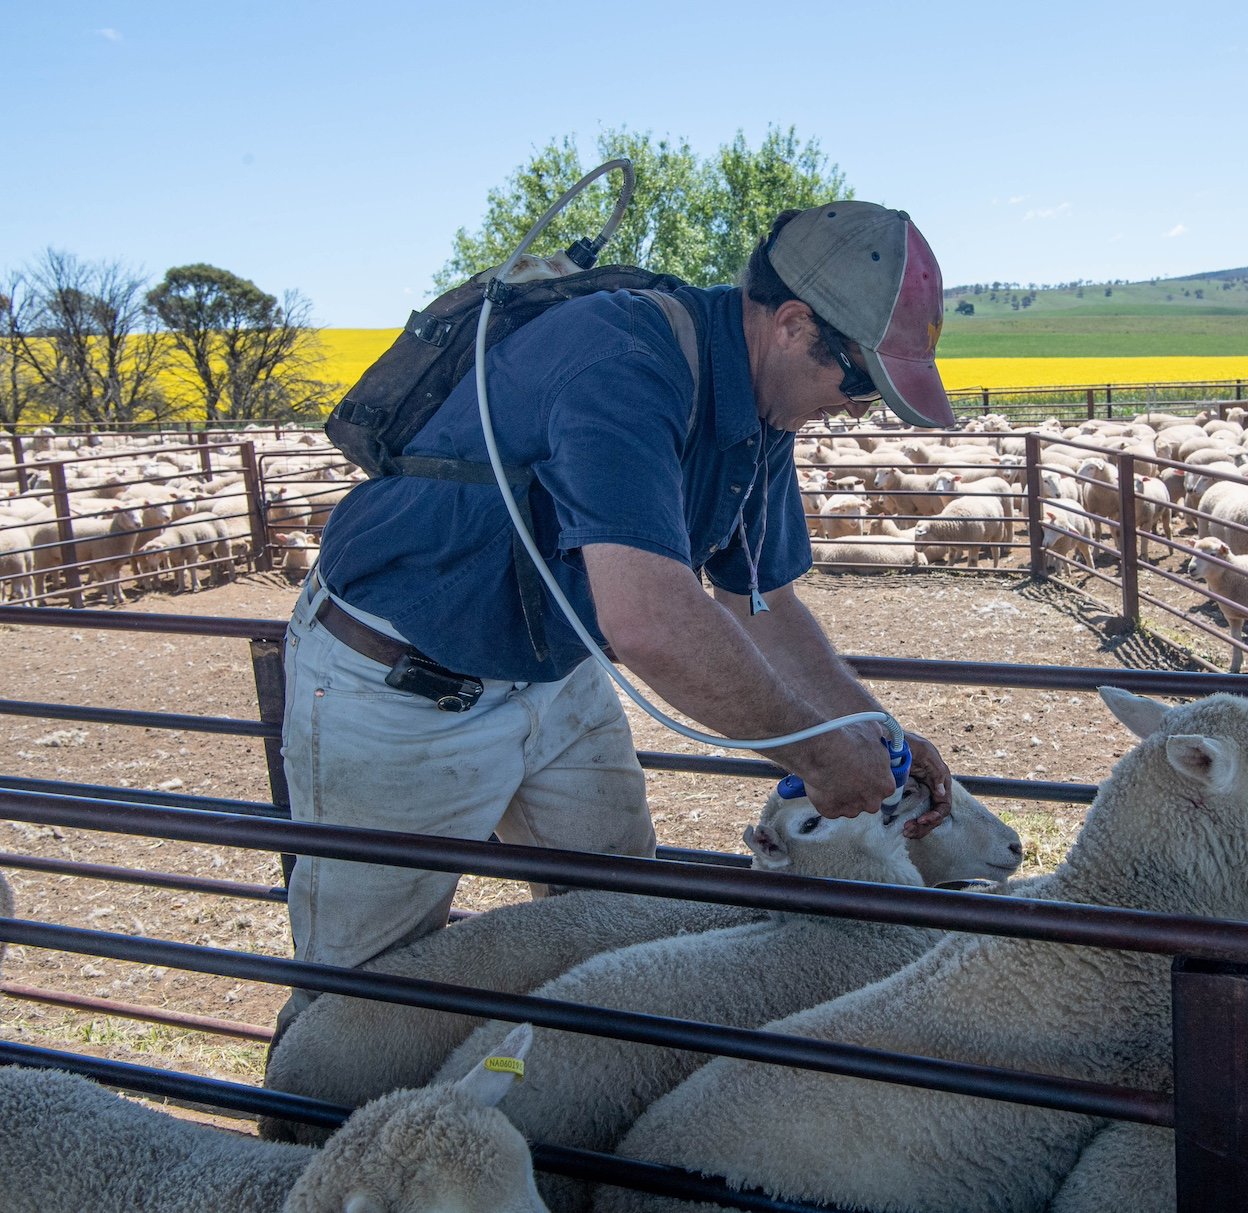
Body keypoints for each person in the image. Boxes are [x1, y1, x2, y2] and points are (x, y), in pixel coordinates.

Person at [277, 201, 956, 1029]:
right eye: (858, 381)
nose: (857, 409)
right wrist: (818, 753)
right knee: (360, 999)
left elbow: (763, 603)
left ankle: (568, 1085)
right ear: (791, 325)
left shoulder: (761, 411)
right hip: (402, 683)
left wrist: (871, 729)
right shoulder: (624, 361)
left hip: (555, 670)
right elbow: (648, 620)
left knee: (618, 918)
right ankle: (311, 1097)